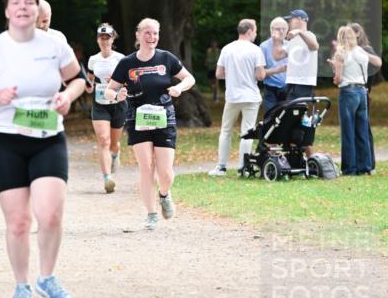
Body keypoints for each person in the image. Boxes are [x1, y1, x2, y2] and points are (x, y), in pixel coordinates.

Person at [0, 0, 85, 298]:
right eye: (15, 2)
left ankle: (47, 277)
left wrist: (67, 96)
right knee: (18, 222)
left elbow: (78, 80)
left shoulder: (54, 44)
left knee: (51, 215)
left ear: (37, 8)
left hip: (48, 138)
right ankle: (21, 286)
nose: (22, 7)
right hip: (6, 142)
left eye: (28, 2)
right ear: (7, 10)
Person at [105, 17, 195, 230]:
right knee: (146, 167)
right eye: (147, 33)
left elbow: (189, 78)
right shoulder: (127, 63)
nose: (151, 37)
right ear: (138, 35)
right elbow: (109, 90)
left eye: (155, 33)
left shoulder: (167, 58)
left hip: (164, 117)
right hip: (138, 119)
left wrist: (179, 88)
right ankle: (151, 214)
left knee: (165, 172)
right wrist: (117, 96)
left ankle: (164, 194)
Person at [208, 19, 266, 177]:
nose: (256, 34)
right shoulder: (255, 50)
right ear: (249, 31)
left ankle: (221, 167)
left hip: (232, 96)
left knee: (225, 130)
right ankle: (244, 168)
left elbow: (219, 74)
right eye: (255, 31)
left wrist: (233, 74)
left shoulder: (227, 49)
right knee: (247, 132)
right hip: (250, 97)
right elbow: (261, 76)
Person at [87, 24, 127, 192]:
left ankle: (116, 155)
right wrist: (88, 86)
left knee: (114, 144)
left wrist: (117, 82)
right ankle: (107, 179)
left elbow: (129, 81)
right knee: (104, 140)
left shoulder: (121, 59)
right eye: (101, 38)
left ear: (113, 39)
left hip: (118, 104)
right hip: (100, 104)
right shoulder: (93, 59)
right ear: (97, 40)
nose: (104, 41)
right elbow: (90, 79)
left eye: (107, 37)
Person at [331, 25, 372, 176]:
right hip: (362, 91)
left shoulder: (341, 54)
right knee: (362, 131)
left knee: (348, 131)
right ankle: (365, 166)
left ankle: (350, 168)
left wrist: (335, 69)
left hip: (348, 92)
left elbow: (338, 79)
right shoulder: (361, 52)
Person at [349, 22, 382, 171]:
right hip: (350, 92)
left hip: (363, 93)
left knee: (364, 129)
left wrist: (359, 51)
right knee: (354, 129)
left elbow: (377, 63)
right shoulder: (347, 51)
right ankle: (357, 161)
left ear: (357, 34)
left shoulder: (365, 49)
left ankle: (369, 162)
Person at [284, 9, 319, 100]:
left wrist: (299, 32)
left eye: (291, 20)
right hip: (291, 81)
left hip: (304, 82)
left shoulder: (310, 35)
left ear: (299, 19)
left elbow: (314, 47)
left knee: (295, 111)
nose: (289, 23)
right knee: (288, 111)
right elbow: (279, 56)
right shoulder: (292, 38)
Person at [259, 17, 289, 113]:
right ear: (271, 30)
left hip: (287, 89)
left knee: (286, 119)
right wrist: (277, 70)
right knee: (270, 118)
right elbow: (260, 73)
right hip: (270, 90)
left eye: (283, 29)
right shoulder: (264, 47)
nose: (281, 31)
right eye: (277, 29)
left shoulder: (291, 45)